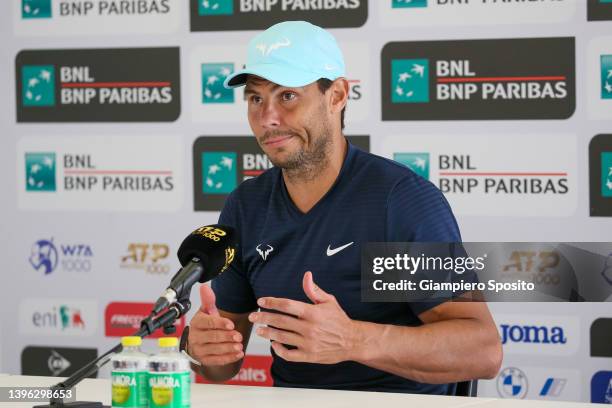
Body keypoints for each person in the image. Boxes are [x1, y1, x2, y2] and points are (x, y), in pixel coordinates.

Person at [185, 20, 502, 394]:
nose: (267, 118)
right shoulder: (247, 206)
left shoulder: (396, 201)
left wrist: (352, 339)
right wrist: (204, 349)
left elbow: (482, 350)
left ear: (336, 96)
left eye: (286, 95)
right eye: (256, 99)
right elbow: (222, 368)